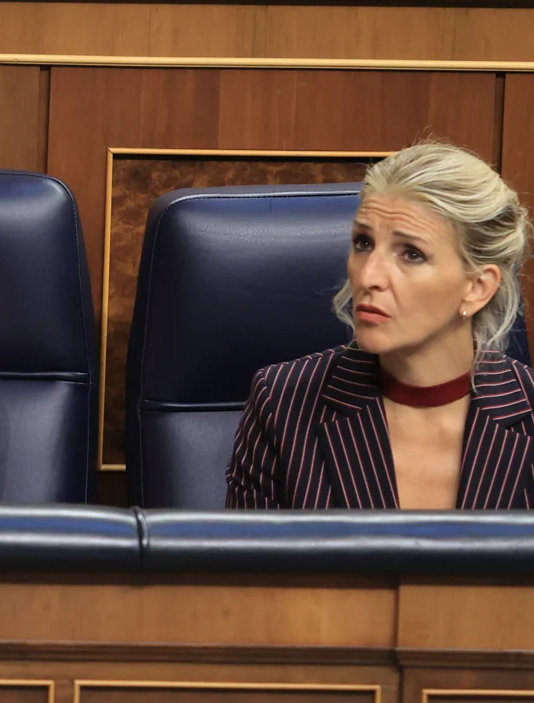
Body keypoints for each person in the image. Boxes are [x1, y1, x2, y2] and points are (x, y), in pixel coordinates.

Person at [226, 140, 534, 510]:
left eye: (412, 254)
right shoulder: (282, 404)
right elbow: (250, 568)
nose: (368, 276)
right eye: (363, 243)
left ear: (476, 287)